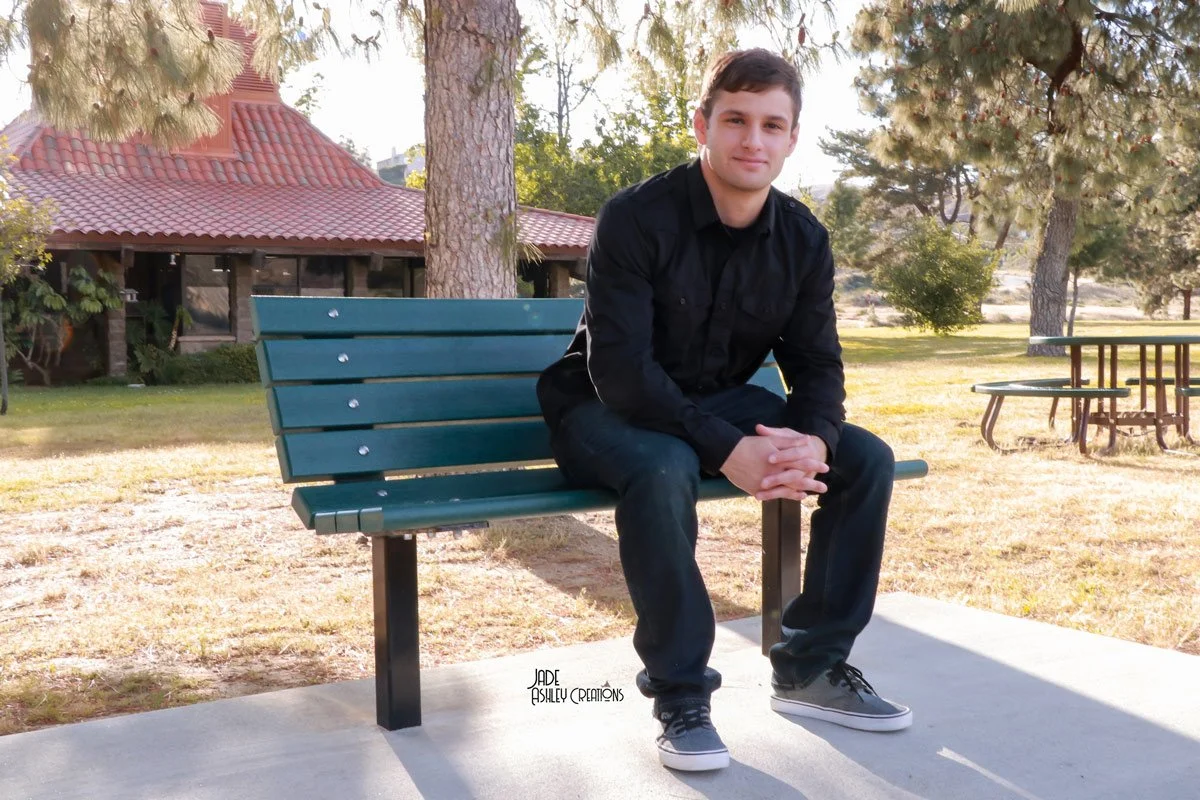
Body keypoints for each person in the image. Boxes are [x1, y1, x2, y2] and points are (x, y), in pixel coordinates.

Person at [536, 48, 911, 773]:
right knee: (664, 460)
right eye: (735, 120)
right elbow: (623, 373)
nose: (753, 140)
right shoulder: (637, 218)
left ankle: (811, 669)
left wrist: (816, 438)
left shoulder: (802, 238)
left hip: (711, 400)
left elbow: (816, 363)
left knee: (864, 459)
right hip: (599, 405)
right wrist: (724, 447)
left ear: (791, 138)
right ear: (702, 124)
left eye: (773, 125)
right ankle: (681, 695)